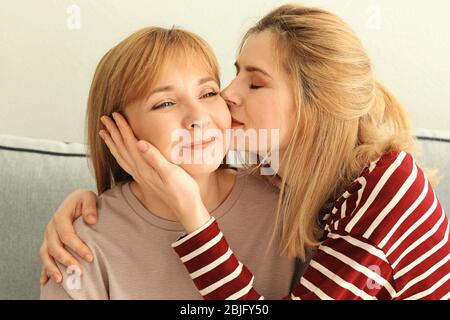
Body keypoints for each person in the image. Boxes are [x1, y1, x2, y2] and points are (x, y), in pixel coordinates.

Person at [40, 4, 449, 299]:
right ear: (119, 128)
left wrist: (192, 213)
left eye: (254, 83)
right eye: (232, 76)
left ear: (314, 109)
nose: (225, 97)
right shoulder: (292, 183)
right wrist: (85, 205)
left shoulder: (377, 191)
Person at [40, 26, 301, 299]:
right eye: (165, 103)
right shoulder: (79, 242)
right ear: (119, 129)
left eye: (208, 93)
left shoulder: (286, 209)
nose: (198, 117)